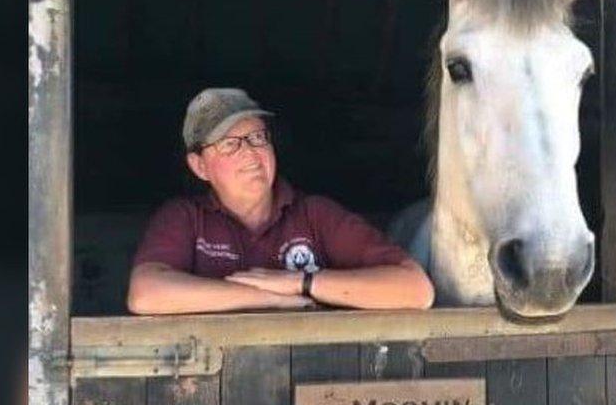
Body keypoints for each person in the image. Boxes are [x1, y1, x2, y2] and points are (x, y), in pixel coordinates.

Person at [126, 88, 435, 314]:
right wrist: (270, 298)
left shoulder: (315, 214)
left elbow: (416, 290)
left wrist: (302, 283)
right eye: (230, 144)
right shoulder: (184, 217)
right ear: (199, 166)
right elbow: (145, 294)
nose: (250, 153)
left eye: (258, 138)